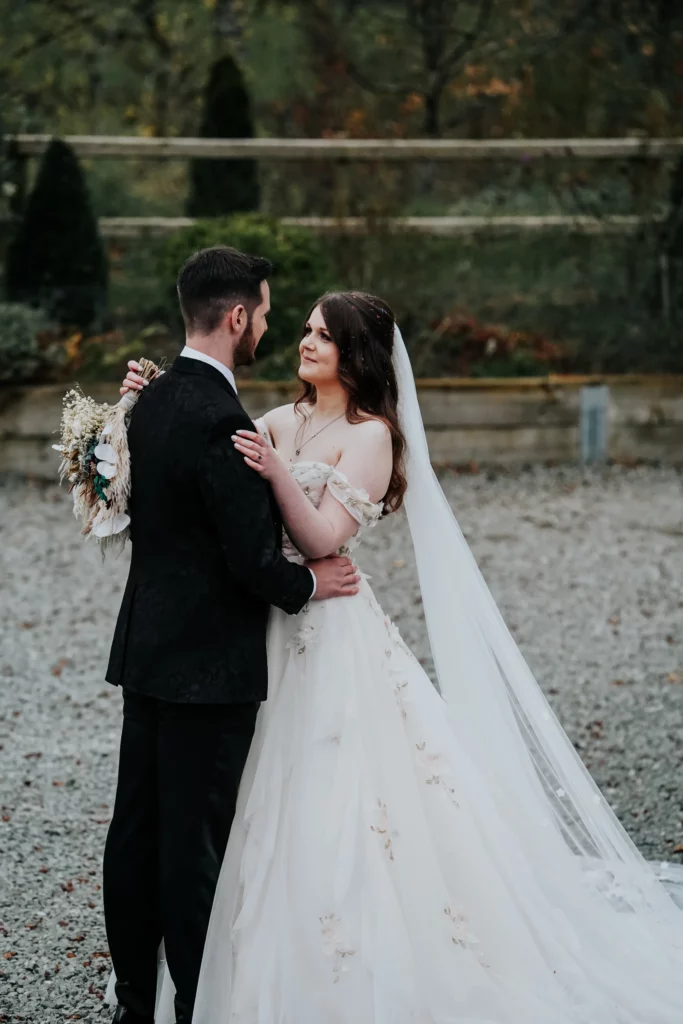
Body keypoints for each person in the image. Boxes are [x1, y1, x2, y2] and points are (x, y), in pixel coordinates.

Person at [114, 290, 683, 1024]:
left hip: (330, 626)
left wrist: (278, 474)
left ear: (355, 354)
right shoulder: (281, 419)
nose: (305, 342)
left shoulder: (371, 436)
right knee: (240, 794)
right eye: (307, 331)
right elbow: (201, 462)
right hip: (267, 626)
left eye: (324, 335)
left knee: (335, 793)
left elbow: (323, 538)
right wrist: (147, 401)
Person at [102, 248, 361, 1024]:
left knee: (135, 834)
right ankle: (194, 1004)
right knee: (193, 848)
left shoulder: (147, 403)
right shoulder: (221, 420)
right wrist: (311, 583)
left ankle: (132, 1006)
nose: (273, 329)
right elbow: (253, 562)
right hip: (209, 670)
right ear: (238, 316)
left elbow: (137, 515)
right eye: (270, 315)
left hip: (146, 651)